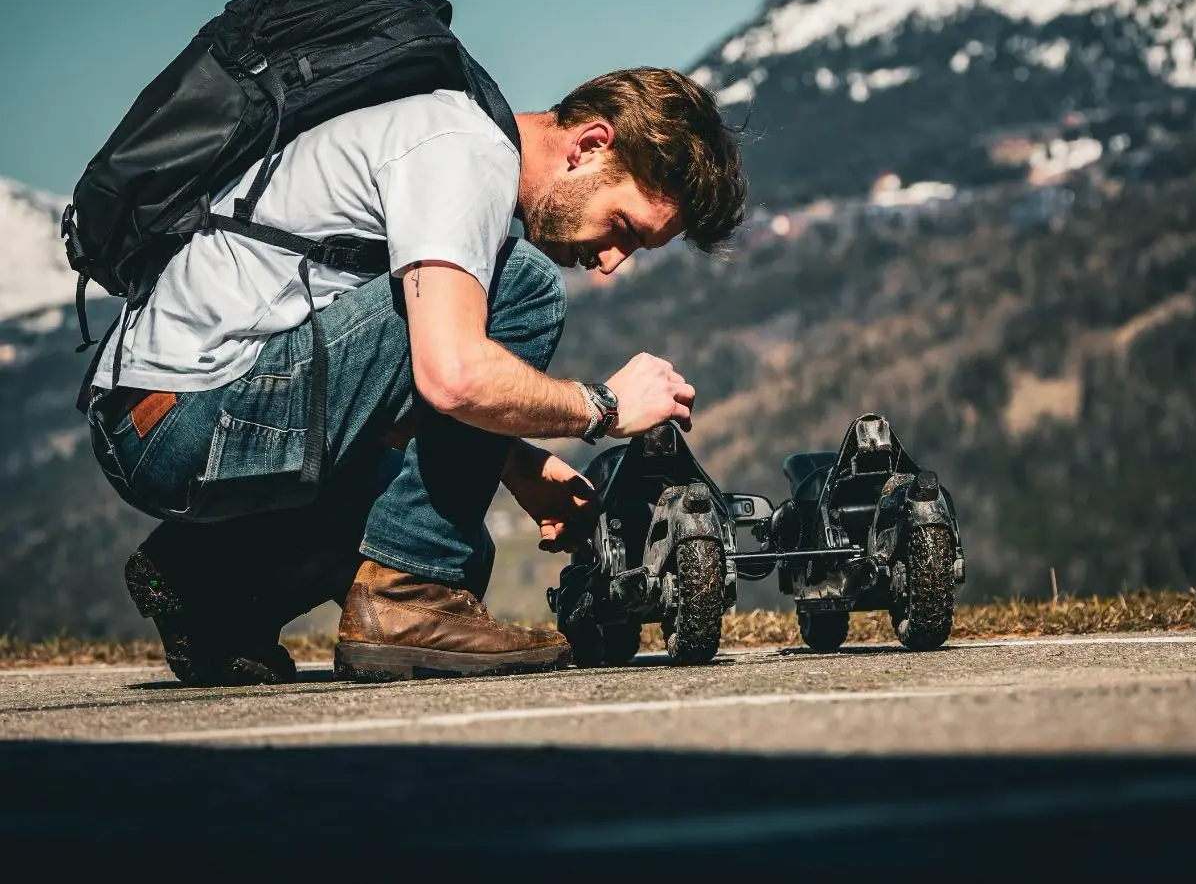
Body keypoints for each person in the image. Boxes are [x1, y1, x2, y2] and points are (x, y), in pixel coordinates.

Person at [84, 67, 746, 685]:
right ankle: (406, 597)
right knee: (524, 287)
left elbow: (385, 371)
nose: (610, 262)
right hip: (192, 415)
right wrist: (602, 406)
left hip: (159, 414)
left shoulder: (445, 146)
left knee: (454, 544)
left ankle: (207, 588)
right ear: (590, 145)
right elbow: (451, 378)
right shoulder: (465, 150)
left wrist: (518, 466)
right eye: (621, 226)